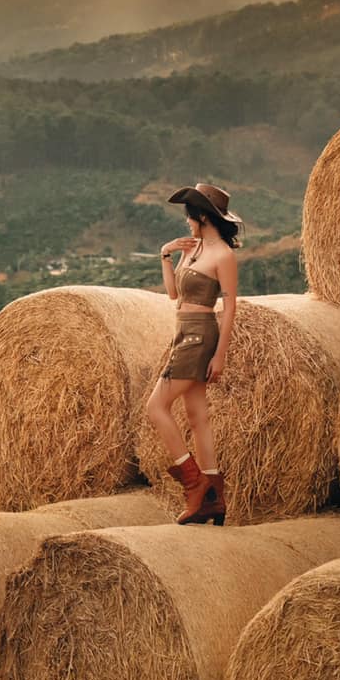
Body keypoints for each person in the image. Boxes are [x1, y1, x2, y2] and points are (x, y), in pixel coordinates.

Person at [145, 182, 242, 524]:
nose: (186, 222)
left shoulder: (224, 256)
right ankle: (215, 498)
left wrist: (221, 354)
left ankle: (195, 483)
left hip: (201, 335)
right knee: (197, 414)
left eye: (189, 216)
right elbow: (173, 294)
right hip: (183, 330)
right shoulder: (192, 248)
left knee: (155, 407)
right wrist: (166, 255)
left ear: (202, 216)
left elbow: (229, 308)